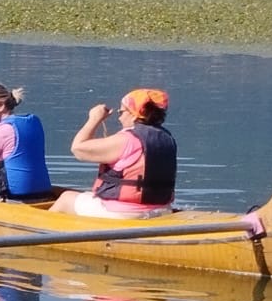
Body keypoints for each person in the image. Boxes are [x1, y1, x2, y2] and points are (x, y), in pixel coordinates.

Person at [50, 87, 177, 217]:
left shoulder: (127, 140)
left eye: (121, 112)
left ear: (134, 114)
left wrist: (94, 119)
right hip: (162, 209)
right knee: (84, 196)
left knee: (66, 199)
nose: (120, 118)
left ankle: (43, 234)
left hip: (127, 213)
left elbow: (78, 149)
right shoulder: (167, 138)